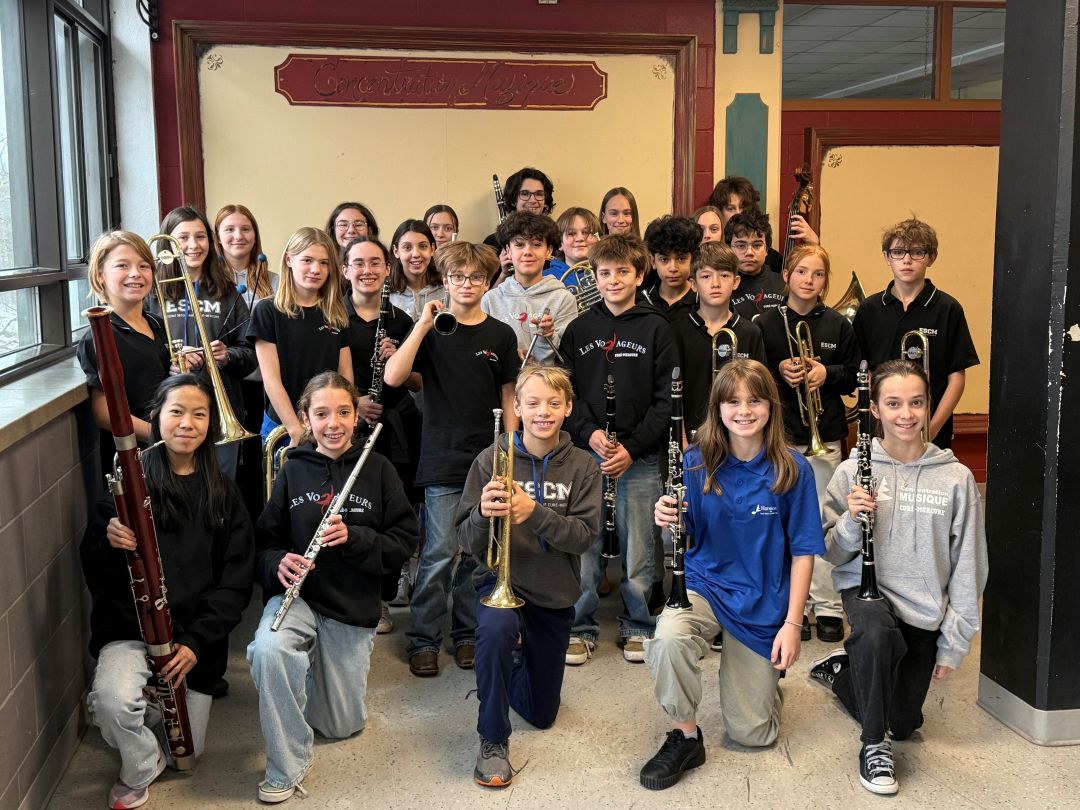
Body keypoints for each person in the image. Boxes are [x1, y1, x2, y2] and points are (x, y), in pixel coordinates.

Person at [641, 359, 823, 790]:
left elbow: (803, 554)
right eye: (732, 401)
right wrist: (666, 518)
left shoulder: (794, 469)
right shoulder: (693, 461)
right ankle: (686, 736)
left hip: (762, 600)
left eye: (755, 400)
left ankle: (766, 683)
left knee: (753, 735)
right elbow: (684, 531)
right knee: (668, 636)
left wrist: (793, 624)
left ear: (771, 407)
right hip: (705, 587)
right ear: (717, 409)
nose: (744, 410)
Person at [813, 359, 987, 796]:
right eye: (893, 403)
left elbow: (969, 563)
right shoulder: (852, 471)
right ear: (874, 409)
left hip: (925, 607)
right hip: (868, 594)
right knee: (873, 634)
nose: (905, 414)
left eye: (915, 402)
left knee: (905, 724)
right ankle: (872, 746)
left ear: (929, 406)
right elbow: (831, 551)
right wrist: (852, 519)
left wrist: (955, 641)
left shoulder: (956, 478)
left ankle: (844, 675)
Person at [81, 375, 253, 810]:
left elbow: (235, 582)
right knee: (112, 706)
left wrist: (195, 644)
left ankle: (150, 702)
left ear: (210, 424)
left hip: (192, 641)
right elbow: (96, 573)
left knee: (188, 757)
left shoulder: (224, 492)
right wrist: (109, 539)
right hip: (132, 629)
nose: (187, 423)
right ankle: (139, 762)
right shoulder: (127, 483)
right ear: (155, 416)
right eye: (176, 411)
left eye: (200, 414)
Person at [248, 372, 418, 803]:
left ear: (356, 416)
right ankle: (287, 764)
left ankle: (303, 684)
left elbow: (404, 542)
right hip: (301, 597)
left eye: (343, 412)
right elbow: (265, 542)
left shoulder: (378, 469)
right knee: (268, 649)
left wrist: (355, 537)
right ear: (305, 418)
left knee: (341, 726)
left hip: (352, 605)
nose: (333, 423)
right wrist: (276, 563)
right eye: (321, 414)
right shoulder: (293, 469)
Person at [457, 365, 602, 788]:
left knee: (542, 715)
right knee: (497, 629)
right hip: (500, 584)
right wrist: (484, 513)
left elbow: (584, 538)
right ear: (515, 407)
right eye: (533, 403)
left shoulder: (582, 467)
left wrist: (534, 514)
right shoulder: (491, 458)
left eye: (554, 404)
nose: (543, 412)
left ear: (568, 408)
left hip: (554, 591)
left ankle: (504, 674)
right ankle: (492, 738)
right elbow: (465, 539)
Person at [384, 241, 521, 677]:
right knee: (440, 552)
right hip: (441, 457)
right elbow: (395, 376)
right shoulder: (434, 330)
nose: (467, 284)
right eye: (458, 277)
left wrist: (511, 451)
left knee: (478, 553)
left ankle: (465, 634)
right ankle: (423, 637)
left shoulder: (501, 334)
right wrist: (422, 325)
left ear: (488, 281)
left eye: (476, 277)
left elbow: (508, 396)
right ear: (445, 279)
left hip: (487, 458)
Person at [559, 234, 678, 665]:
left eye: (623, 272)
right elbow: (565, 395)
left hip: (640, 456)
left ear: (640, 275)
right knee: (584, 539)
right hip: (586, 454)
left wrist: (632, 446)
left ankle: (638, 622)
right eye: (604, 273)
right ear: (594, 276)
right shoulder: (579, 328)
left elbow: (668, 399)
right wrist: (588, 432)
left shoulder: (656, 327)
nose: (613, 280)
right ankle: (579, 624)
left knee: (640, 543)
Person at [756, 244, 859, 642]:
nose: (809, 281)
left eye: (817, 275)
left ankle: (827, 605)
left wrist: (825, 374)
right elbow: (750, 374)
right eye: (802, 272)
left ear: (824, 282)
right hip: (779, 435)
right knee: (773, 518)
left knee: (821, 520)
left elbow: (852, 375)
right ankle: (781, 603)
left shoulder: (838, 325)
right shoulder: (765, 323)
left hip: (824, 433)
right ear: (787, 276)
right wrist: (776, 370)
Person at [342, 235, 423, 633]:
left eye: (375, 263)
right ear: (345, 270)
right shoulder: (334, 316)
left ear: (387, 269)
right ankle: (357, 594)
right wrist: (355, 401)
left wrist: (398, 363)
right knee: (355, 511)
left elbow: (420, 382)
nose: (367, 270)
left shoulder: (402, 320)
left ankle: (386, 596)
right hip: (348, 428)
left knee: (392, 509)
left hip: (394, 428)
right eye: (358, 263)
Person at [851, 218, 979, 449]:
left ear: (932, 257)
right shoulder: (869, 309)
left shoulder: (948, 309)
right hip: (880, 430)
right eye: (898, 252)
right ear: (887, 257)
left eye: (917, 252)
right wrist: (884, 419)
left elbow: (956, 377)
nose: (907, 260)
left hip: (930, 430)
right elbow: (864, 372)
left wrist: (932, 427)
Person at [149, 206, 256, 478]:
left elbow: (250, 352)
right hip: (169, 414)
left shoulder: (227, 291)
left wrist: (227, 355)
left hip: (220, 413)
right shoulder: (151, 291)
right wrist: (170, 365)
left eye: (200, 237)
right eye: (183, 238)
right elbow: (142, 352)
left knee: (220, 493)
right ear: (167, 244)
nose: (193, 245)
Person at [77, 231, 171, 481]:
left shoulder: (156, 323)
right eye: (122, 265)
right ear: (100, 275)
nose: (135, 273)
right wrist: (160, 434)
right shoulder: (99, 336)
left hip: (170, 451)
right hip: (137, 460)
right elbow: (104, 413)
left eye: (144, 266)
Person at [248, 227, 352, 446]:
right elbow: (271, 378)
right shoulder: (268, 310)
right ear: (288, 260)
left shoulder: (336, 312)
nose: (316, 269)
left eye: (324, 263)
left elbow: (345, 377)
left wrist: (341, 419)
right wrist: (295, 428)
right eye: (307, 260)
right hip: (283, 424)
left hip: (328, 424)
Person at [214, 203, 278, 516]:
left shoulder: (275, 281)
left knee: (256, 463)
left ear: (255, 235)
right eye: (229, 229)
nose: (238, 236)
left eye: (246, 229)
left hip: (263, 385)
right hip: (226, 384)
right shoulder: (210, 281)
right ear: (217, 237)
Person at [670, 241, 766, 437]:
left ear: (736, 282)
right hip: (690, 437)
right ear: (693, 285)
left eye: (724, 275)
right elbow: (669, 393)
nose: (715, 284)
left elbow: (761, 392)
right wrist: (680, 438)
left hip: (738, 437)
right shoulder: (675, 331)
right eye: (706, 276)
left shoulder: (750, 332)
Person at [482, 211, 577, 364]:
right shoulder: (490, 299)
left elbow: (564, 359)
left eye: (537, 245)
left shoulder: (564, 299)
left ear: (548, 251)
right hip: (503, 386)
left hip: (546, 385)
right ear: (507, 251)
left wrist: (548, 336)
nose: (527, 251)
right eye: (519, 245)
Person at [707, 175, 818, 273]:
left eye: (743, 207)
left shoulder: (769, 258)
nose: (738, 213)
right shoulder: (711, 251)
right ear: (720, 212)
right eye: (730, 208)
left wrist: (813, 245)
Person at [484, 167, 557, 275]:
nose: (532, 200)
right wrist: (504, 273)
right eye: (525, 194)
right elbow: (484, 291)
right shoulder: (492, 243)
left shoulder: (557, 238)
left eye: (539, 194)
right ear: (514, 200)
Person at [726, 209, 787, 321]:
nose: (749, 252)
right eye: (741, 246)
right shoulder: (721, 286)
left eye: (757, 245)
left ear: (767, 249)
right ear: (729, 249)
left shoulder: (784, 285)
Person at [641, 215, 702, 321]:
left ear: (692, 260)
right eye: (664, 260)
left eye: (681, 258)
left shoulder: (702, 301)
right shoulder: (641, 301)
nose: (673, 268)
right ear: (653, 261)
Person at [387, 219, 447, 322]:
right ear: (396, 251)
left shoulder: (446, 288)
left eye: (423, 246)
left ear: (432, 249)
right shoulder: (385, 292)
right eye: (407, 247)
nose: (416, 254)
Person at [548, 207, 602, 294]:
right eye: (571, 233)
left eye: (586, 232)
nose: (580, 238)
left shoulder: (609, 273)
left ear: (598, 239)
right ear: (560, 243)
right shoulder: (545, 278)